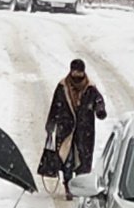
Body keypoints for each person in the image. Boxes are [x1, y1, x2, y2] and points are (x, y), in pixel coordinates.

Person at [43, 58, 108, 200]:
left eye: (79, 72)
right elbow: (55, 106)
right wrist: (51, 124)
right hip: (66, 130)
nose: (77, 75)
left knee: (83, 160)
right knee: (67, 159)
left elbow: (99, 101)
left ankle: (79, 185)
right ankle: (68, 186)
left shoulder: (90, 88)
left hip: (85, 131)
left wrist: (99, 110)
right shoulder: (63, 87)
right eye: (75, 72)